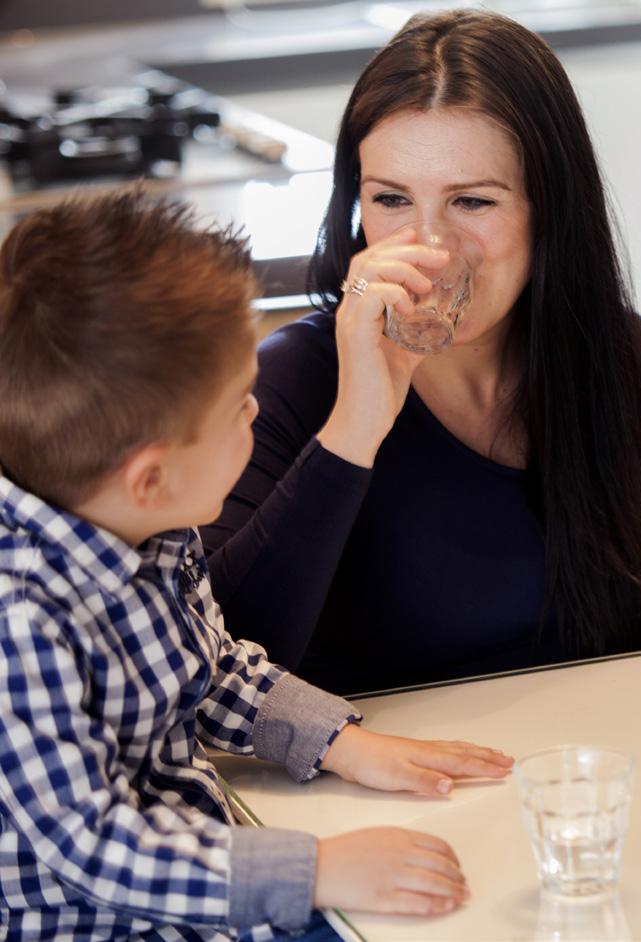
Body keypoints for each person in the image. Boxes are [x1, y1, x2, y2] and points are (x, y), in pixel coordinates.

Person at [0, 191, 514, 941]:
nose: (256, 413)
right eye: (238, 405)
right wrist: (319, 868)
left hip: (214, 875)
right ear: (151, 476)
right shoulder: (19, 622)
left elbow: (214, 671)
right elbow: (96, 848)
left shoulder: (154, 526)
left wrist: (344, 744)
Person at [201, 9, 641, 696]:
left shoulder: (630, 360)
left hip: (576, 770)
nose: (429, 249)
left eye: (472, 203)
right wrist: (353, 430)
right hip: (364, 787)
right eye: (390, 199)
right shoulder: (288, 381)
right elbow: (214, 665)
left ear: (548, 210)